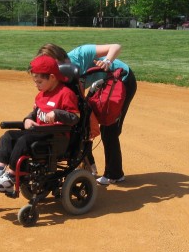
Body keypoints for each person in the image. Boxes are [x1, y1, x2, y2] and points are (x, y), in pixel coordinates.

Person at [0, 55, 80, 192]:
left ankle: (10, 178)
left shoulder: (66, 94)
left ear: (52, 77)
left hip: (55, 137)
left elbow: (75, 117)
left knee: (23, 140)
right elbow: (35, 113)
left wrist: (57, 114)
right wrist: (27, 119)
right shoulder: (42, 94)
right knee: (8, 136)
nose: (36, 85)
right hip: (38, 133)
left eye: (39, 82)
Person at [37, 43, 137, 185]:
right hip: (102, 84)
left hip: (121, 80)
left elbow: (116, 46)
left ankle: (115, 174)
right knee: (83, 125)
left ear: (61, 58)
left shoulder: (81, 53)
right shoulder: (60, 74)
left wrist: (107, 61)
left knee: (109, 128)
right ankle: (90, 167)